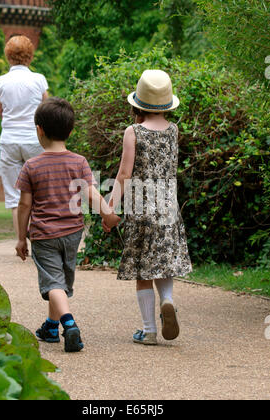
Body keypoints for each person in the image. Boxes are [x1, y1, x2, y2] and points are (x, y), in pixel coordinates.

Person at [15, 97, 120, 353]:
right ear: (71, 131)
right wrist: (107, 214)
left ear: (38, 129)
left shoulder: (32, 166)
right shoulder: (78, 162)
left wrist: (20, 238)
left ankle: (68, 324)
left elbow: (24, 206)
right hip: (72, 234)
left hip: (44, 235)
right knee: (60, 282)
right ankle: (51, 327)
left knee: (52, 283)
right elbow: (92, 194)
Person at [103, 70, 192, 345]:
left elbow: (124, 175)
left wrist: (110, 208)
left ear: (137, 103)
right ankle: (167, 300)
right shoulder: (173, 130)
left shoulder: (133, 132)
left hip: (141, 207)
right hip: (167, 206)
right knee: (163, 264)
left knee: (143, 271)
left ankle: (149, 330)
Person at [0, 35, 49, 236]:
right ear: (30, 56)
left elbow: (1, 111)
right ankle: (39, 240)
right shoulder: (38, 79)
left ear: (8, 56)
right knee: (39, 192)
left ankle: (20, 242)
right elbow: (46, 110)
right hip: (34, 140)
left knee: (14, 195)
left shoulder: (0, 82)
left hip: (9, 140)